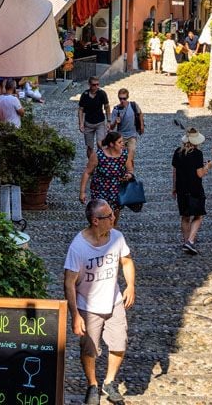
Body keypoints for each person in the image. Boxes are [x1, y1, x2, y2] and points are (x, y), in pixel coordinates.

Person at [64, 198, 136, 405]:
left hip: (114, 302)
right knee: (89, 350)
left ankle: (109, 382)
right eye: (109, 216)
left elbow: (127, 260)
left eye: (113, 214)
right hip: (88, 306)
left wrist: (130, 285)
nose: (114, 218)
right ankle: (92, 384)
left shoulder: (117, 237)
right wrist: (75, 315)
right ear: (96, 220)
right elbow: (69, 283)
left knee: (119, 343)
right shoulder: (78, 247)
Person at [79, 131, 135, 227]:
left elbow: (130, 170)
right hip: (100, 189)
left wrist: (129, 175)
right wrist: (82, 192)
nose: (123, 144)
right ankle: (98, 229)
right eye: (120, 142)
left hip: (117, 189)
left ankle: (112, 230)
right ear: (111, 144)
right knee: (99, 211)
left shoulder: (125, 155)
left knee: (116, 211)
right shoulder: (98, 155)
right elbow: (87, 172)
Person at [172, 128, 212, 255]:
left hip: (181, 189)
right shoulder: (197, 154)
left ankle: (186, 242)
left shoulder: (177, 152)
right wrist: (207, 166)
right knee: (198, 215)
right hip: (195, 189)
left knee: (185, 216)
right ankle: (190, 241)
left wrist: (174, 188)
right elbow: (200, 174)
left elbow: (174, 172)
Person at [78, 76, 111, 158]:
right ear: (89, 84)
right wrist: (81, 123)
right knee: (90, 147)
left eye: (97, 84)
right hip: (88, 123)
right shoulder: (85, 95)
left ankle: (101, 162)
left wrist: (109, 121)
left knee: (101, 144)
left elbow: (107, 107)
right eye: (94, 85)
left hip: (100, 122)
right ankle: (91, 163)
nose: (96, 86)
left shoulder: (102, 94)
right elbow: (81, 109)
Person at [109, 89, 144, 159]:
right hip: (121, 137)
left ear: (127, 97)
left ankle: (130, 169)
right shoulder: (116, 109)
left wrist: (141, 125)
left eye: (124, 98)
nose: (122, 100)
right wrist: (116, 122)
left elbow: (140, 113)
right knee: (122, 157)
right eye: (120, 98)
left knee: (131, 155)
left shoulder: (133, 105)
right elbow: (111, 127)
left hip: (132, 135)